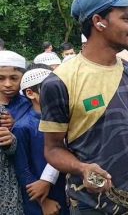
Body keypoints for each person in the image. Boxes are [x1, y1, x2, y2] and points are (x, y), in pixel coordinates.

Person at [38, 0, 128, 213]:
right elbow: (52, 149)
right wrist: (82, 168)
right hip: (92, 204)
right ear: (99, 22)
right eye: (126, 19)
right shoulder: (59, 82)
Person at [14, 68, 68, 215]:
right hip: (41, 201)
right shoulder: (22, 127)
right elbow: (22, 169)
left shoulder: (65, 119)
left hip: (66, 192)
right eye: (49, 89)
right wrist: (43, 202)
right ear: (30, 93)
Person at [0, 50, 28, 215]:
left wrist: (14, 126)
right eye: (1, 78)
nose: (8, 84)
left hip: (23, 179)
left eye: (14, 78)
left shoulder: (30, 104)